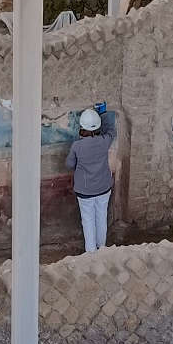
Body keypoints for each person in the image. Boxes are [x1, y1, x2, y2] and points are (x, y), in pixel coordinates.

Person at [66, 107, 116, 253]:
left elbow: (69, 164)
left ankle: (91, 253)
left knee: (88, 221)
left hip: (85, 191)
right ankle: (102, 249)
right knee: (101, 217)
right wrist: (103, 114)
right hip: (104, 187)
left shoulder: (77, 146)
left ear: (81, 127)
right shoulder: (104, 141)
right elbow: (111, 131)